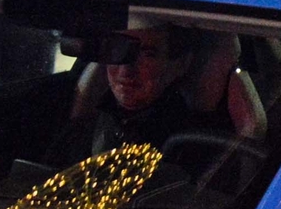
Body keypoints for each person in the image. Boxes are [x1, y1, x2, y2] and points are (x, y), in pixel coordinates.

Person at [44, 28, 237, 168]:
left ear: (180, 64)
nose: (126, 70)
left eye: (148, 55)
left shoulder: (197, 144)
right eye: (119, 50)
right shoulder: (83, 127)